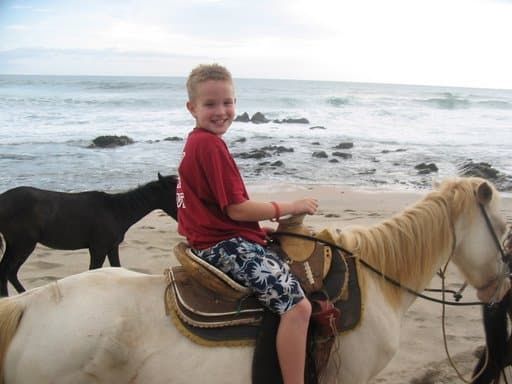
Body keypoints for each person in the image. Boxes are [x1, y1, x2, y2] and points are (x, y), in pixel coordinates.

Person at [176, 63, 318, 384]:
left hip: (216, 236)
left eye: (228, 102)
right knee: (298, 309)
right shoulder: (210, 146)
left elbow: (213, 208)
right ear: (192, 108)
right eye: (210, 104)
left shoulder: (196, 141)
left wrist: (252, 232)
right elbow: (238, 210)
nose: (221, 111)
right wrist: (290, 206)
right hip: (220, 245)